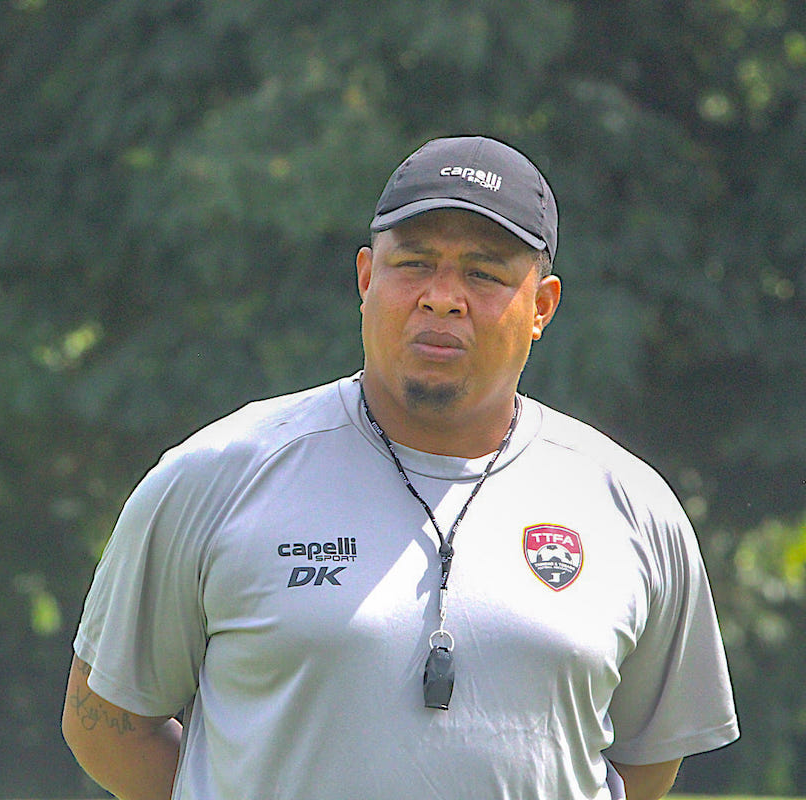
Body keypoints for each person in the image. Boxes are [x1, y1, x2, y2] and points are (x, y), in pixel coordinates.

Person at [62, 135, 739, 800]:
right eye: (414, 263)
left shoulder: (629, 506)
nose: (442, 296)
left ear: (542, 306)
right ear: (365, 278)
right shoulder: (216, 475)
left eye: (484, 273)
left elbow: (648, 759)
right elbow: (106, 726)